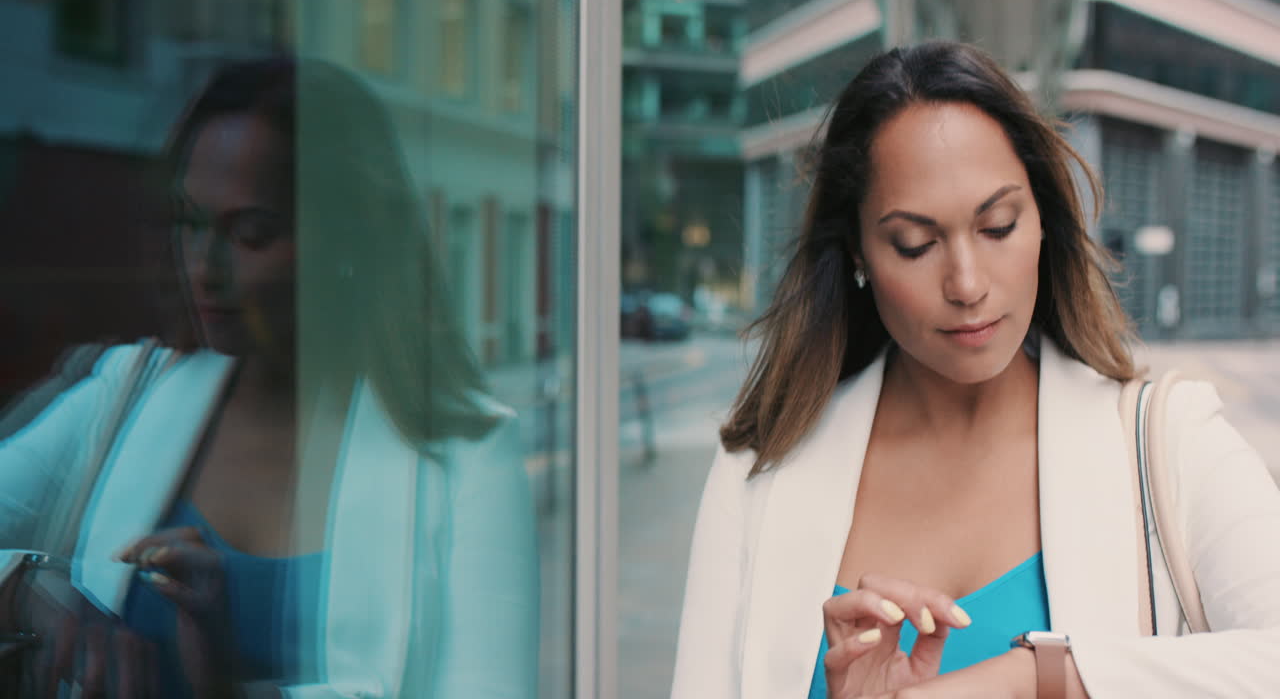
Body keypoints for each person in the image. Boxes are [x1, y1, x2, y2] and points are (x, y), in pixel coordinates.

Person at [670, 41, 1280, 698]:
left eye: (997, 227)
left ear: (1043, 218)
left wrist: (1043, 679)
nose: (966, 283)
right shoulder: (760, 471)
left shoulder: (1171, 439)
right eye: (916, 244)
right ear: (857, 252)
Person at [0, 58, 538, 698]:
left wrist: (228, 684)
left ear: (346, 241)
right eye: (191, 225)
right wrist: (30, 590)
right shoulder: (129, 392)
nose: (203, 268)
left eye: (250, 233)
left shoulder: (469, 459)